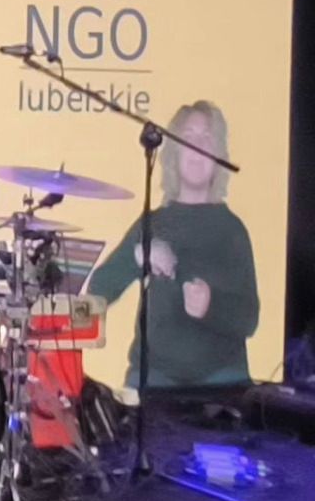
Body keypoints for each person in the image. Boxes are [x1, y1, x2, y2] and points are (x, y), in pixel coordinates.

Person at [85, 100, 259, 391]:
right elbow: (99, 290)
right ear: (174, 154)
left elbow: (249, 318)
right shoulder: (153, 223)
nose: (197, 147)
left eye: (206, 138)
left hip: (222, 383)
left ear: (219, 156)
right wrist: (138, 255)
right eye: (188, 137)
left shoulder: (233, 230)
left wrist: (211, 305)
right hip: (155, 380)